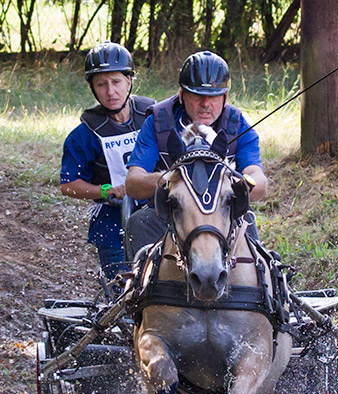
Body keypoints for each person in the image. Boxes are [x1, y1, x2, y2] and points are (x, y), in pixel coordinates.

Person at [124, 50, 268, 245]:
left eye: (214, 97)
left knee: (247, 221)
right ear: (181, 95)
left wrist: (237, 183)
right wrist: (175, 180)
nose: (205, 104)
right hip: (170, 212)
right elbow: (133, 182)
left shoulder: (238, 126)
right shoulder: (158, 122)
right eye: (197, 96)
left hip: (223, 212)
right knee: (139, 222)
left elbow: (259, 181)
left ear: (225, 97)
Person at [60, 42, 157, 281]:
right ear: (93, 88)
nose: (110, 92)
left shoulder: (154, 116)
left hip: (159, 214)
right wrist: (105, 191)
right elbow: (68, 185)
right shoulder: (83, 136)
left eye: (116, 82)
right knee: (125, 292)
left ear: (129, 81)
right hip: (113, 227)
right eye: (101, 84)